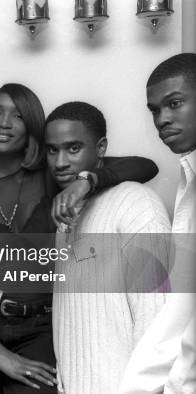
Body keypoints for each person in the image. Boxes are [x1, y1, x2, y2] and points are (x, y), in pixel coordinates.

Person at [0, 83, 160, 394]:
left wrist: (87, 181)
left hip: (39, 330)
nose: (3, 122)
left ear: (32, 127)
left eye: (17, 116)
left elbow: (146, 165)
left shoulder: (56, 174)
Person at [45, 101, 170, 394]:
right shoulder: (66, 213)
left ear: (101, 148)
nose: (60, 161)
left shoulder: (136, 203)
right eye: (52, 150)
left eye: (73, 148)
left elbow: (157, 321)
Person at [119, 53, 196, 394]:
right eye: (154, 110)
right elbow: (181, 305)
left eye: (175, 103)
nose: (162, 119)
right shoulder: (189, 174)